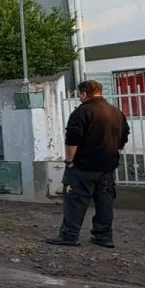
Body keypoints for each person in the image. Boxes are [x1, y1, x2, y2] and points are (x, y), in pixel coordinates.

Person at [47, 80, 129, 248]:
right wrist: (116, 151)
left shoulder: (82, 112)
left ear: (84, 94)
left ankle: (69, 235)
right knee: (104, 202)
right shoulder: (116, 112)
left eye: (80, 95)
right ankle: (104, 236)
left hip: (83, 166)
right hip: (107, 166)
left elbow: (73, 138)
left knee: (75, 201)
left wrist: (70, 160)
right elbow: (124, 134)